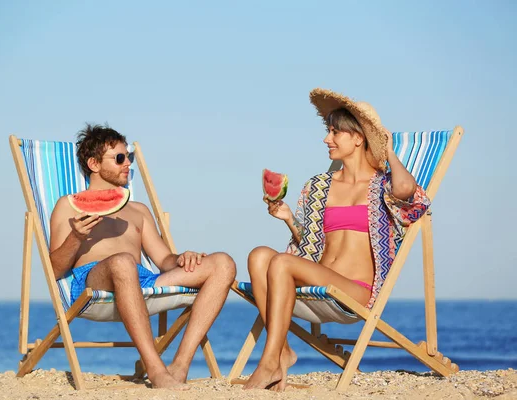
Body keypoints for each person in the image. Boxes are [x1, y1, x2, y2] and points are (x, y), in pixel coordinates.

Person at [243, 88, 431, 391]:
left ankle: (269, 363)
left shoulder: (383, 187)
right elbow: (311, 247)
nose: (327, 139)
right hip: (317, 279)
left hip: (353, 293)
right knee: (258, 256)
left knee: (279, 262)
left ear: (358, 137)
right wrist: (290, 218)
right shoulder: (319, 185)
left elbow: (411, 194)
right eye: (327, 131)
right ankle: (283, 353)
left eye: (335, 132)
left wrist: (387, 150)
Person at [49, 123, 237, 390]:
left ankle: (180, 365)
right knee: (123, 261)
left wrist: (183, 258)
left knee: (223, 263)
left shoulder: (138, 210)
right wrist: (75, 238)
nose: (127, 164)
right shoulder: (67, 205)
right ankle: (155, 369)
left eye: (130, 157)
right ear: (93, 163)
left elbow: (164, 261)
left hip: (143, 281)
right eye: (119, 158)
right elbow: (54, 270)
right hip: (91, 281)